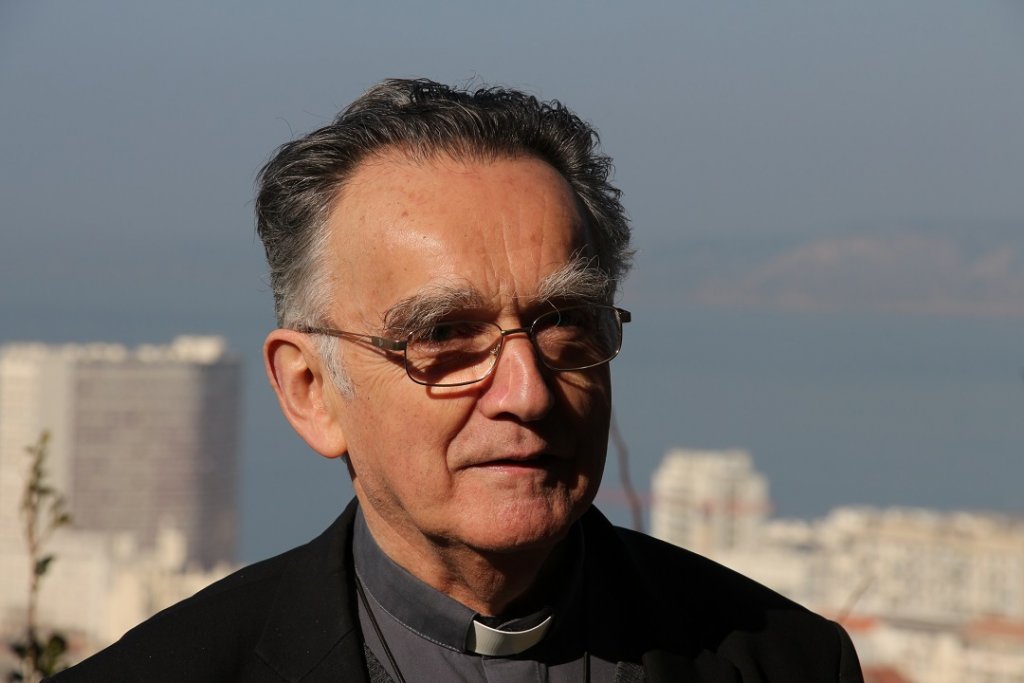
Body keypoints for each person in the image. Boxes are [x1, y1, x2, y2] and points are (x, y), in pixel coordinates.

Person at [53, 78, 863, 682]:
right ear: (310, 391)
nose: (527, 390)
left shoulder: (784, 660)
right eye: (444, 335)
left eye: (563, 321)